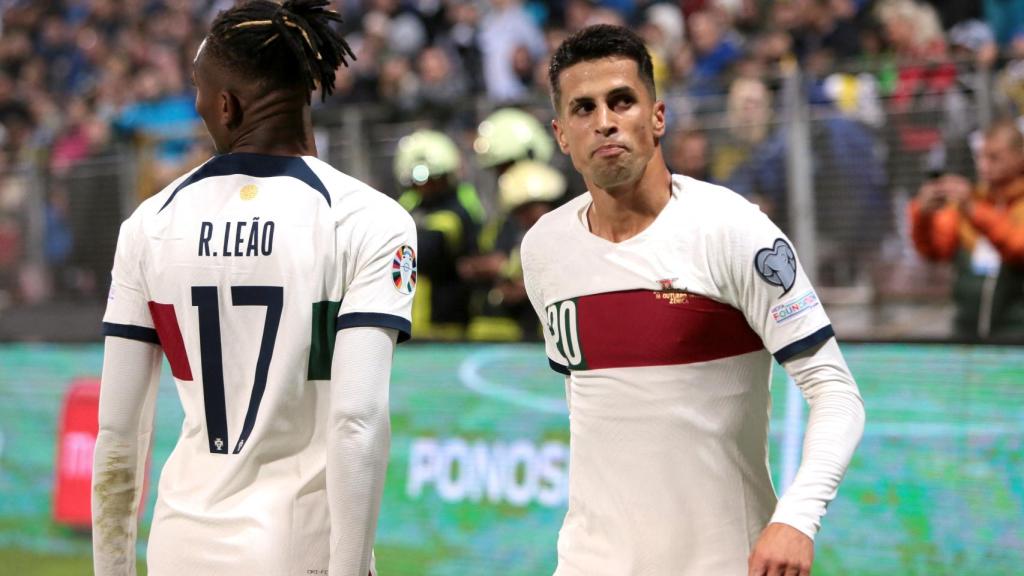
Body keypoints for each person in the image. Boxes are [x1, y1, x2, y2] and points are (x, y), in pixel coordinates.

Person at [521, 24, 866, 575]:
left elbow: (837, 394)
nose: (605, 120)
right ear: (563, 135)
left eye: (622, 100)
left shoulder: (734, 230)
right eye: (584, 108)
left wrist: (798, 518)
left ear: (657, 117)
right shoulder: (542, 249)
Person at [91, 2, 416, 576]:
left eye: (198, 90)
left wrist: (112, 567)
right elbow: (357, 421)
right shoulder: (369, 219)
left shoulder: (148, 223)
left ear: (226, 103)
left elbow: (119, 433)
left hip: (178, 544)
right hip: (297, 547)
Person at [909, 119, 1024, 338]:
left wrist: (973, 209)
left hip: (1016, 336)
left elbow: (1018, 246)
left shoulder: (977, 206)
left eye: (994, 157)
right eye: (980, 156)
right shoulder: (971, 202)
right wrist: (922, 214)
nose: (983, 165)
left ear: (1020, 157)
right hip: (966, 334)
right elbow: (935, 250)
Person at [394, 129, 483, 340]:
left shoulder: (457, 211)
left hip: (445, 326)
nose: (425, 187)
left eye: (434, 179)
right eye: (418, 181)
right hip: (410, 321)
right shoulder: (409, 206)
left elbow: (422, 251)